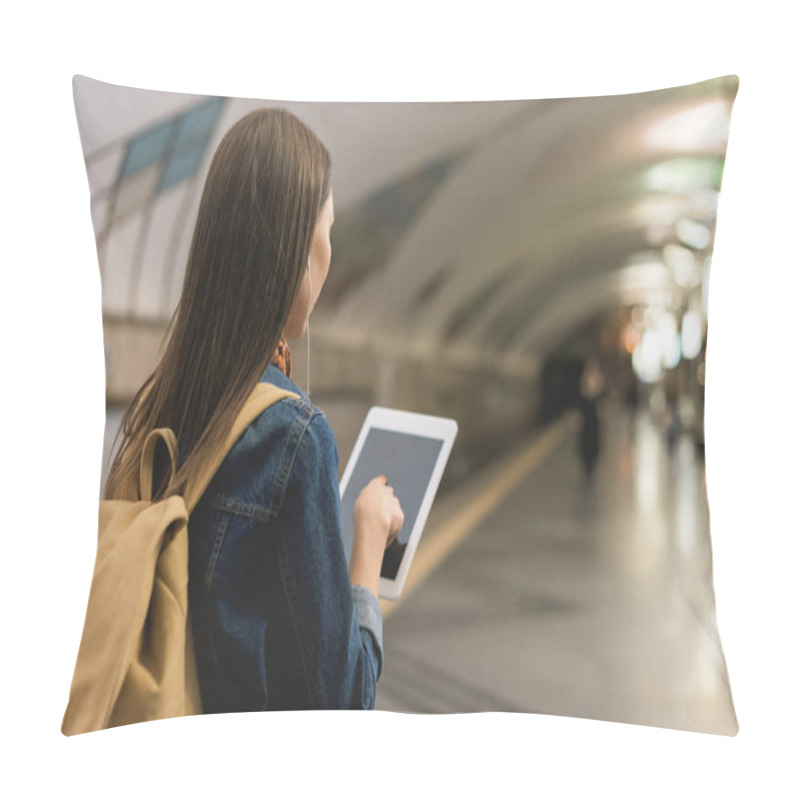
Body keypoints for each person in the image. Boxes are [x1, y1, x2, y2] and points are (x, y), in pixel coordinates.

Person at [103, 108, 404, 712]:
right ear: (296, 248)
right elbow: (343, 701)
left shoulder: (160, 400)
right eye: (328, 229)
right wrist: (367, 548)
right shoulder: (293, 434)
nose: (330, 253)